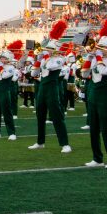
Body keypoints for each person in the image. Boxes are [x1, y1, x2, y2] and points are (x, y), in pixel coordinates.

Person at [28, 20, 72, 153]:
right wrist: (37, 60)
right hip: (42, 88)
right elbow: (34, 73)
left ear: (55, 50)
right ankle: (40, 141)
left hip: (53, 88)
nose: (47, 50)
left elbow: (50, 66)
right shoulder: (43, 58)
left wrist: (44, 57)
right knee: (40, 115)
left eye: (50, 49)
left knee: (56, 115)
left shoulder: (60, 59)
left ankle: (65, 144)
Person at [84, 16, 107, 169]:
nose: (98, 49)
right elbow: (85, 74)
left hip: (103, 96)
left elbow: (102, 70)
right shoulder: (94, 58)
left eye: (101, 47)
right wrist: (89, 56)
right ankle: (97, 157)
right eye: (98, 46)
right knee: (93, 128)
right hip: (92, 94)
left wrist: (97, 57)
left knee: (106, 128)